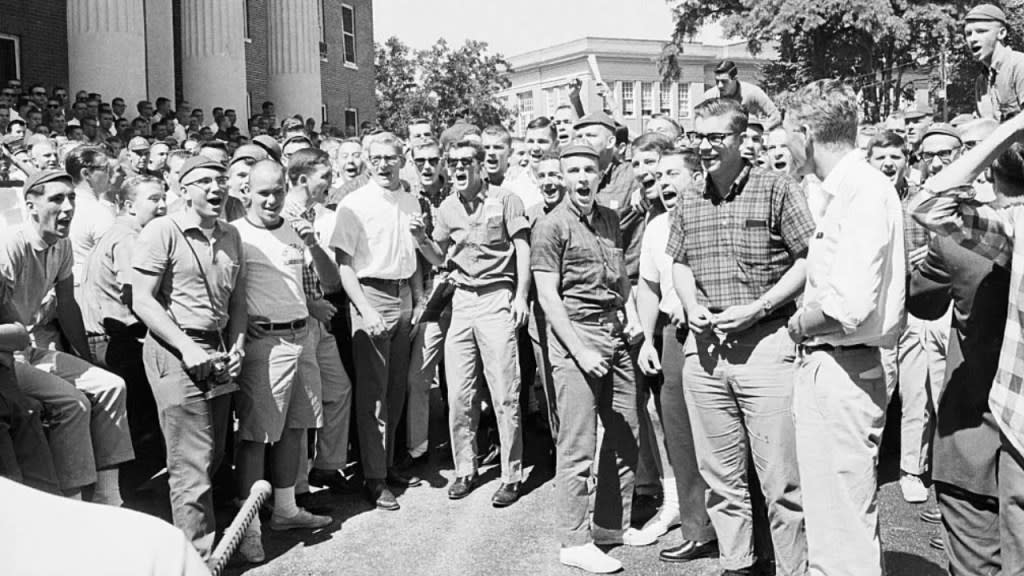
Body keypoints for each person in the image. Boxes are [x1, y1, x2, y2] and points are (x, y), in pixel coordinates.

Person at [666, 97, 811, 576]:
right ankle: (738, 563)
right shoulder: (688, 196)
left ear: (741, 139)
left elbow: (807, 260)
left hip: (766, 344)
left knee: (781, 482)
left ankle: (793, 568)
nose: (705, 148)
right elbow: (680, 262)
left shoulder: (777, 189)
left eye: (715, 138)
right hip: (705, 350)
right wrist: (691, 306)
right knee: (721, 479)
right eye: (698, 138)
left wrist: (760, 307)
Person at [783, 79, 905, 576]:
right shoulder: (841, 190)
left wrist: (796, 324)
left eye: (787, 132)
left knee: (843, 531)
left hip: (843, 367)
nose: (783, 144)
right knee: (830, 520)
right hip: (832, 367)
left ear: (807, 132)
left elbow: (847, 306)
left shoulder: (863, 190)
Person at [913, 110, 1024, 576]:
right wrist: (1009, 132)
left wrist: (1003, 135)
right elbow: (930, 209)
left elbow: (929, 208)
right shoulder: (1013, 229)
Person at [131, 155, 248, 558]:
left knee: (211, 455)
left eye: (221, 180)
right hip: (175, 352)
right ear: (183, 190)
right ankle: (198, 558)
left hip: (216, 354)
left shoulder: (231, 234)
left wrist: (238, 346)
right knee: (192, 462)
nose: (216, 188)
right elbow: (142, 301)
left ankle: (175, 539)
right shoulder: (163, 230)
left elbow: (238, 302)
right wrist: (186, 346)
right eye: (204, 182)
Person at [532, 144, 639, 574]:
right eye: (573, 170)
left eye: (589, 170)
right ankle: (573, 539)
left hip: (615, 332)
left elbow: (623, 278)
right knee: (576, 443)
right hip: (576, 333)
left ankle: (610, 525)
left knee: (626, 428)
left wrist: (631, 319)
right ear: (560, 176)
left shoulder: (610, 219)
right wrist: (579, 350)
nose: (581, 178)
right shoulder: (550, 225)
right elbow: (547, 296)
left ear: (600, 175)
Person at [2, 169, 134, 504]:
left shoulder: (61, 246)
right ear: (31, 206)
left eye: (71, 197)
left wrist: (85, 362)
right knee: (71, 402)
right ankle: (72, 504)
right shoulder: (10, 245)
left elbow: (67, 304)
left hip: (29, 349)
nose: (67, 207)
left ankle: (109, 497)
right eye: (56, 198)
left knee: (110, 385)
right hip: (6, 355)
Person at [413, 139, 530, 506]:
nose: (459, 168)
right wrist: (420, 239)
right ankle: (466, 468)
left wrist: (522, 295)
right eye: (454, 162)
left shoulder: (506, 199)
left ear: (482, 165)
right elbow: (439, 256)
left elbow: (523, 247)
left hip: (497, 297)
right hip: (461, 300)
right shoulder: (447, 207)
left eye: (467, 161)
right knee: (460, 393)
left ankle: (512, 474)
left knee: (504, 392)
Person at [232, 160, 337, 563]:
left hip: (301, 335)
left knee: (295, 429)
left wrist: (312, 243)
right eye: (263, 192)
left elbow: (325, 281)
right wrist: (242, 324)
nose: (272, 198)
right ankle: (248, 527)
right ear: (247, 194)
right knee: (257, 436)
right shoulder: (238, 235)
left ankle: (286, 511)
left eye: (278, 190)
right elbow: (225, 288)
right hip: (266, 344)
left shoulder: (294, 230)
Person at [329, 132, 424, 512]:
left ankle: (387, 463)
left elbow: (414, 256)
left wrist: (418, 300)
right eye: (377, 158)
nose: (384, 164)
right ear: (367, 161)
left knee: (396, 388)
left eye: (391, 157)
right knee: (373, 394)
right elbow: (344, 266)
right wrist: (365, 311)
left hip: (403, 294)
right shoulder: (354, 203)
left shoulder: (411, 199)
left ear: (403, 158)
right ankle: (374, 476)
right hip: (370, 294)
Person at [635, 146, 719, 560]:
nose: (665, 183)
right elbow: (648, 286)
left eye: (674, 174)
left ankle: (743, 529)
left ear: (698, 176)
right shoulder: (656, 228)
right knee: (680, 434)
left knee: (723, 434)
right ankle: (697, 528)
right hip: (671, 334)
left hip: (715, 332)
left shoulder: (716, 215)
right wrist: (648, 341)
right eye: (660, 176)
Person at [79, 175, 168, 490]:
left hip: (108, 340)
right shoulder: (129, 239)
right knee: (141, 425)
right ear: (130, 205)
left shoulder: (117, 233)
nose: (162, 205)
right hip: (118, 342)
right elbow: (136, 294)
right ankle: (132, 497)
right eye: (154, 199)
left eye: (163, 197)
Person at [283, 148, 355, 497]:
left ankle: (327, 465)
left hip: (317, 320)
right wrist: (310, 305)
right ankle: (296, 487)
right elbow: (274, 276)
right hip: (295, 321)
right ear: (301, 179)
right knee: (302, 407)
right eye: (324, 176)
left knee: (338, 390)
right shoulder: (282, 214)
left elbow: (328, 280)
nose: (330, 183)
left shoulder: (312, 216)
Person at [966, 3, 1024, 121]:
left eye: (981, 31)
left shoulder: (1019, 64)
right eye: (968, 34)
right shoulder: (981, 81)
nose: (972, 39)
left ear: (1001, 33)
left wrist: (994, 139)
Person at [702, 60, 780, 126]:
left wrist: (759, 130)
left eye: (724, 81)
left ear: (735, 79)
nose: (720, 85)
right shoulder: (709, 96)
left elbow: (775, 116)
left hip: (747, 138)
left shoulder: (753, 92)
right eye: (717, 81)